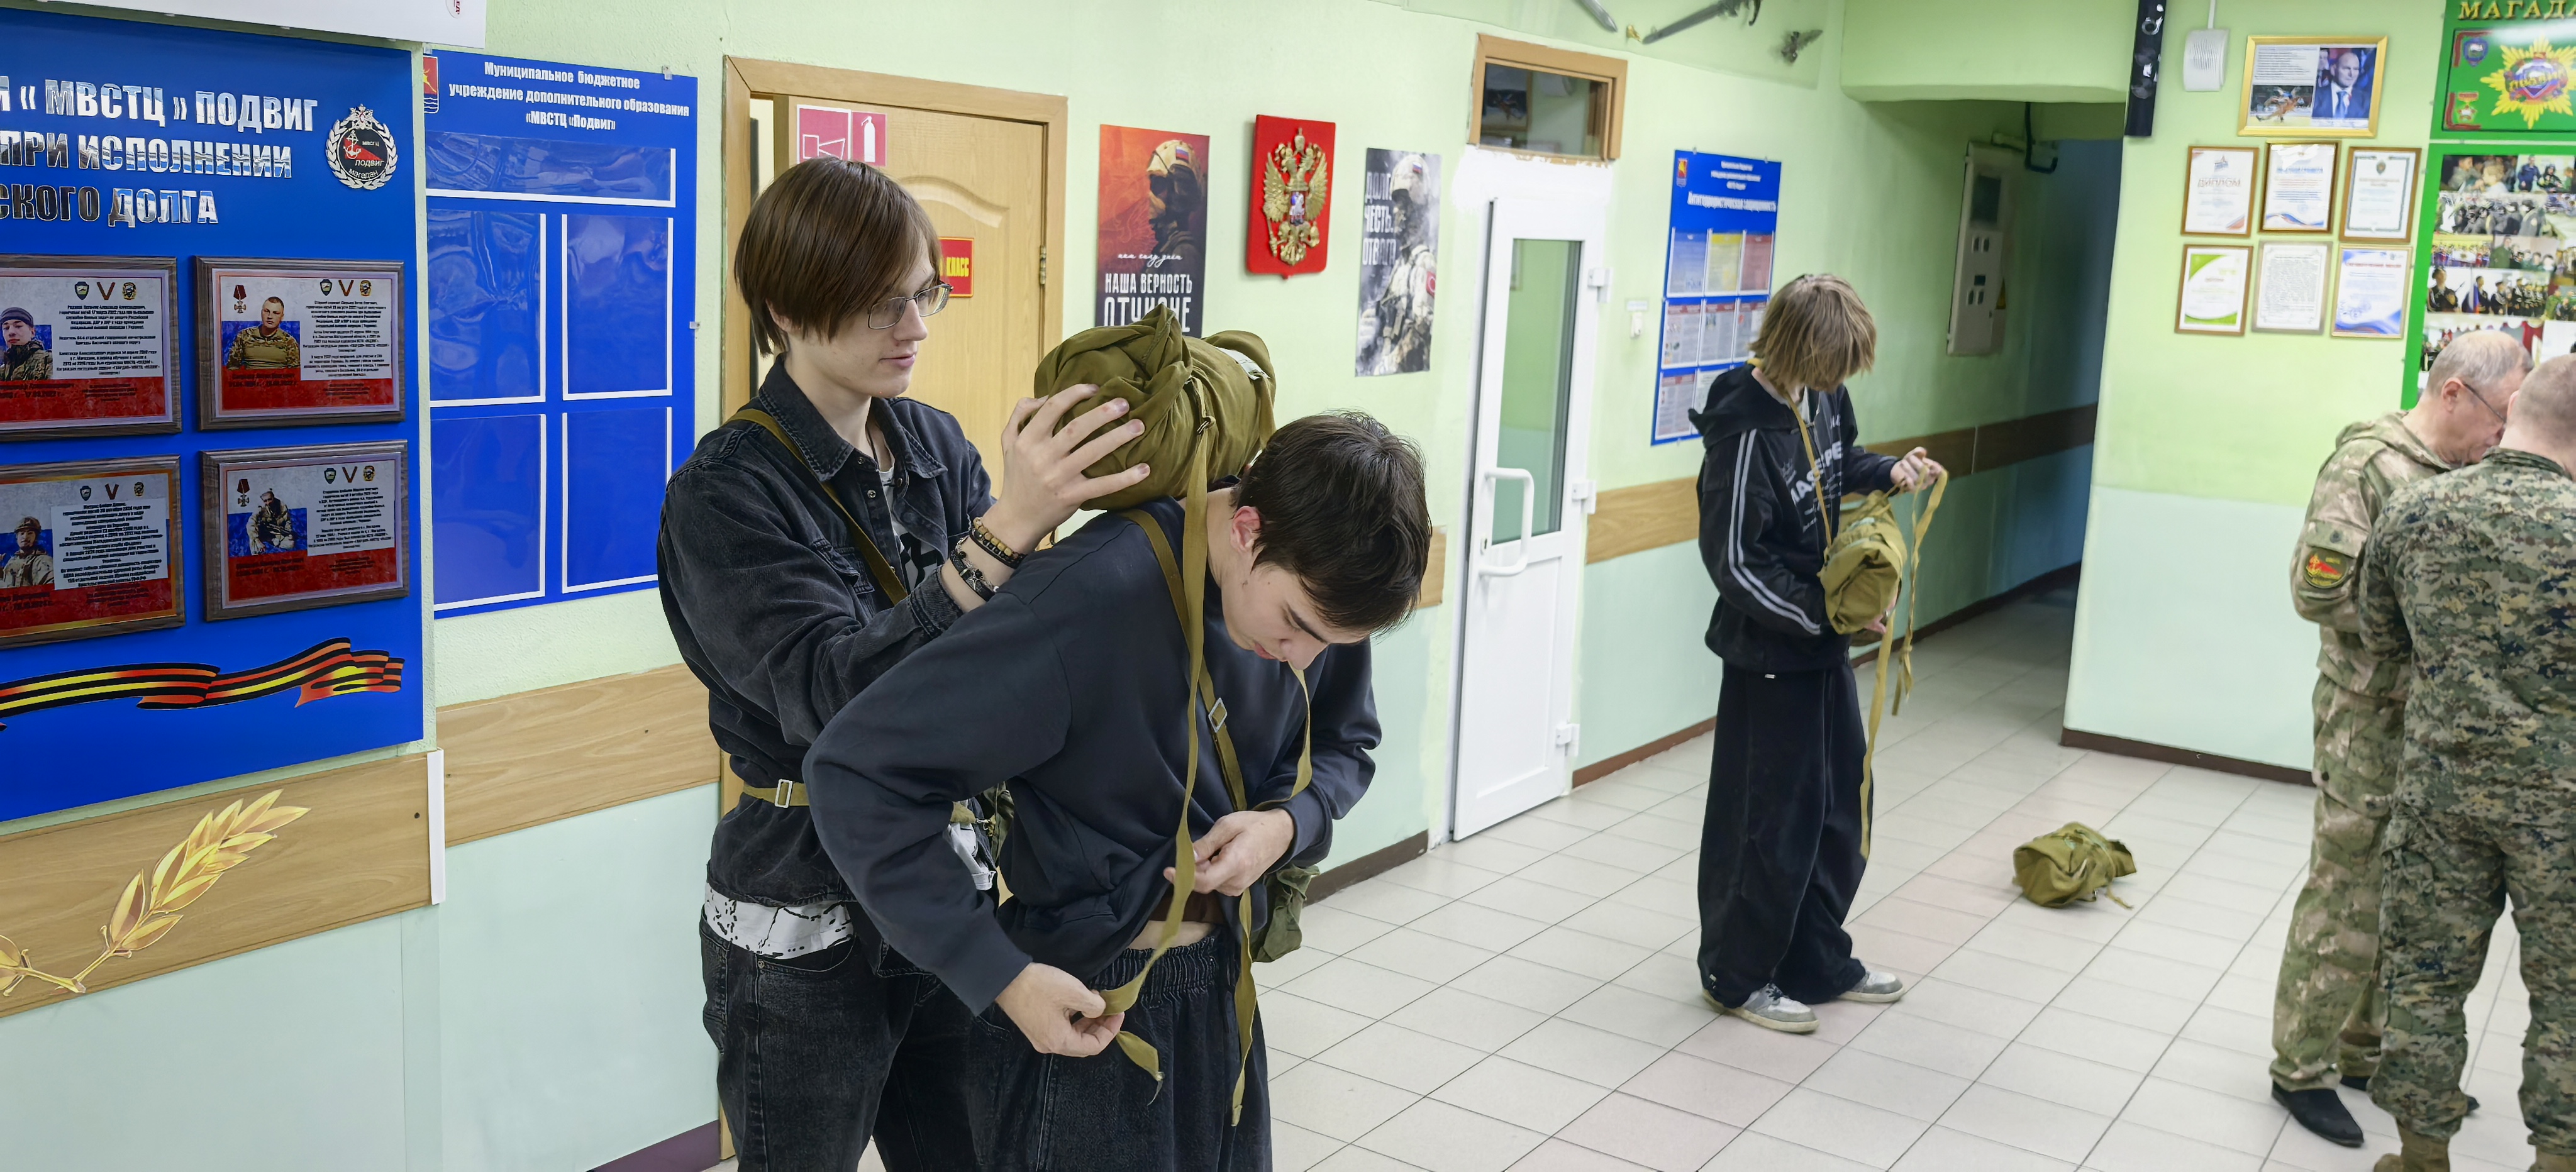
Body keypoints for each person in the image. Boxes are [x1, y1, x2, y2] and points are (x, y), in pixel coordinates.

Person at [657, 155, 1147, 1171]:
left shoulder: (932, 442)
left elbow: (1002, 663)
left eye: (926, 293)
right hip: (799, 916)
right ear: (787, 308)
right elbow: (828, 697)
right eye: (881, 303)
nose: (914, 326)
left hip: (939, 883)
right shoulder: (725, 490)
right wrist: (1005, 531)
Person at [804, 412, 1430, 1171]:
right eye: (1297, 627)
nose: (1302, 658)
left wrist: (1285, 824)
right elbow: (858, 771)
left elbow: (1342, 741)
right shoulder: (1086, 599)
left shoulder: (1320, 592)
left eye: (1328, 644)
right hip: (1085, 1010)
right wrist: (997, 974)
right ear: (1247, 529)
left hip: (1221, 992)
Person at [2267, 329, 2528, 1147]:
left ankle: (2366, 1050)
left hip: (2437, 724)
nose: (2503, 434)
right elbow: (2317, 592)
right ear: (2453, 393)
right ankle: (2299, 1067)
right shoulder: (2368, 466)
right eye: (2499, 415)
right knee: (2348, 888)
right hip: (2368, 717)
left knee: (2409, 893)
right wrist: (2435, 627)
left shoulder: (2467, 473)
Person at [1689, 274, 1941, 1033]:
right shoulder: (1743, 430)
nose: (1837, 383)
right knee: (1768, 826)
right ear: (1798, 350)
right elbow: (1735, 564)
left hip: (1820, 648)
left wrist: (1888, 471)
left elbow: (1836, 464)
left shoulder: (1822, 395)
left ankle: (1814, 960)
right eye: (1831, 367)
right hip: (1769, 655)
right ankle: (1736, 976)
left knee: (1837, 811)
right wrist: (1825, 616)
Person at [2357, 353, 2576, 1172]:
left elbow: (2381, 638)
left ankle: (2420, 1157)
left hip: (2440, 791)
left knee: (2424, 980)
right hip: (2563, 807)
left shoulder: (2416, 511)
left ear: (2515, 413)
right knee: (2569, 994)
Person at [225, 297, 301, 370]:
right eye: (267, 311)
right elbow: (232, 368)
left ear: (282, 317)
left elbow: (296, 372)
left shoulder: (289, 342)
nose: (270, 316)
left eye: (276, 313)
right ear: (262, 313)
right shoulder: (245, 336)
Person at [2318, 50, 2373, 124]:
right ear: (2333, 70)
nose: (2352, 74)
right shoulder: (2316, 96)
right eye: (2347, 68)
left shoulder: (2366, 101)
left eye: (2356, 69)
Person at [0, 307, 50, 381]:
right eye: (6, 328)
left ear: (33, 332)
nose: (11, 332)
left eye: (18, 326)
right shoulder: (2, 371)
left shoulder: (49, 361)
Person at [1, 517, 51, 587]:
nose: (25, 537)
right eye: (22, 533)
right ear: (17, 537)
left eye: (30, 533)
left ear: (36, 537)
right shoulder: (11, 562)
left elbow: (50, 588)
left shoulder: (43, 561)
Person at [247, 490, 297, 554]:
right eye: (265, 501)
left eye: (270, 499)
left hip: (276, 532)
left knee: (291, 544)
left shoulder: (282, 506)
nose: (268, 503)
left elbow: (288, 521)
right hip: (263, 531)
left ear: (273, 497)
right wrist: (257, 541)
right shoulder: (260, 507)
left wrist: (288, 533)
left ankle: (272, 540)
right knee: (253, 539)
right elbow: (251, 523)